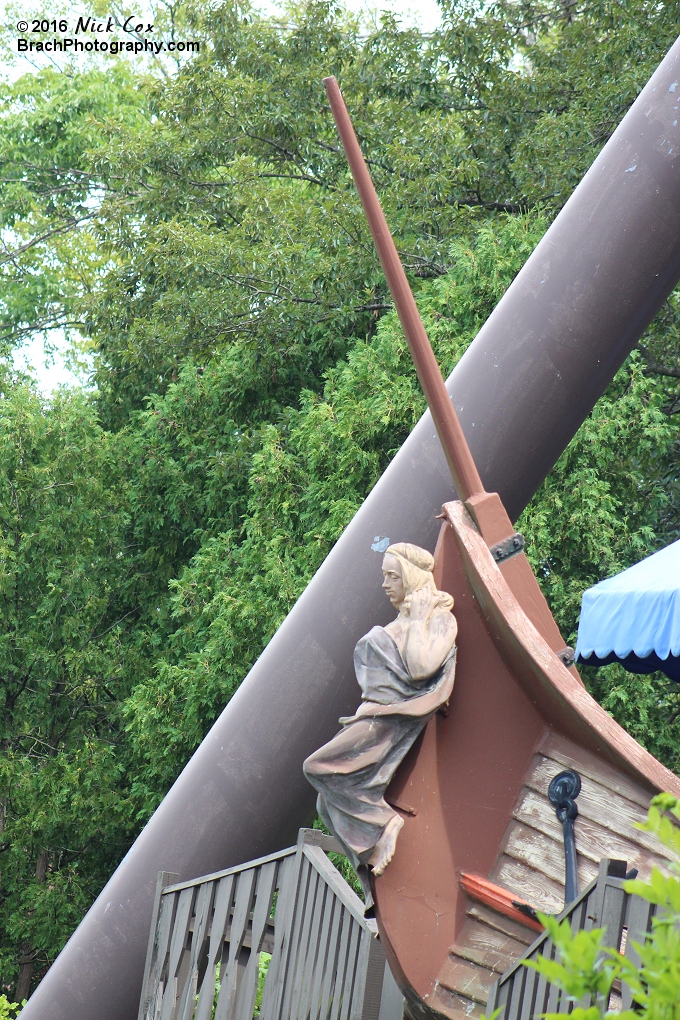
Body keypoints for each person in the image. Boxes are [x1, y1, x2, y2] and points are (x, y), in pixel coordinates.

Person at [303, 542, 457, 909]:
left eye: (393, 576)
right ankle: (376, 889)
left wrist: (418, 621)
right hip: (371, 715)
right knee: (326, 804)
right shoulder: (400, 622)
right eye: (384, 576)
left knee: (317, 767)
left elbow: (421, 669)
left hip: (391, 718)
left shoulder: (439, 617)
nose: (386, 584)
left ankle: (385, 821)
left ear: (412, 577)